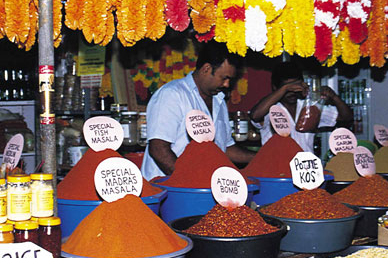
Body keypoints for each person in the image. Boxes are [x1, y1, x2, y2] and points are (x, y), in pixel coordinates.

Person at [141, 41, 255, 181]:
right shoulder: (172, 94)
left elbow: (226, 148)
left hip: (202, 185)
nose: (227, 84)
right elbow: (158, 149)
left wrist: (261, 157)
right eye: (224, 78)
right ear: (206, 69)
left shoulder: (219, 100)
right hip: (166, 186)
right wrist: (187, 181)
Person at [249, 61, 353, 153]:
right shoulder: (270, 109)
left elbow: (346, 117)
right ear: (276, 88)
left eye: (296, 87)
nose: (292, 92)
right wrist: (285, 88)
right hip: (277, 169)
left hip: (307, 170)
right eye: (288, 89)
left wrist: (334, 97)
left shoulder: (310, 107)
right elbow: (255, 115)